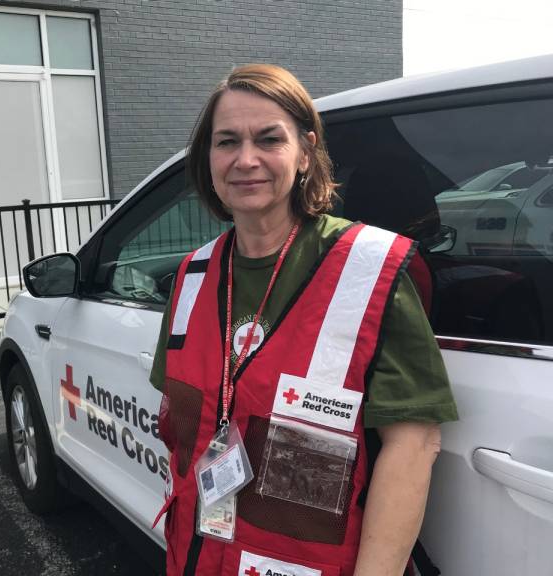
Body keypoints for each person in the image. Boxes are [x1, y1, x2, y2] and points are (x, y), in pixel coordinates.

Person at [149, 64, 458, 576]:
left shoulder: (369, 269)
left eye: (268, 138)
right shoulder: (193, 275)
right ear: (209, 159)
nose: (245, 159)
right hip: (197, 558)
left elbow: (414, 443)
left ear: (305, 151)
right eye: (227, 142)